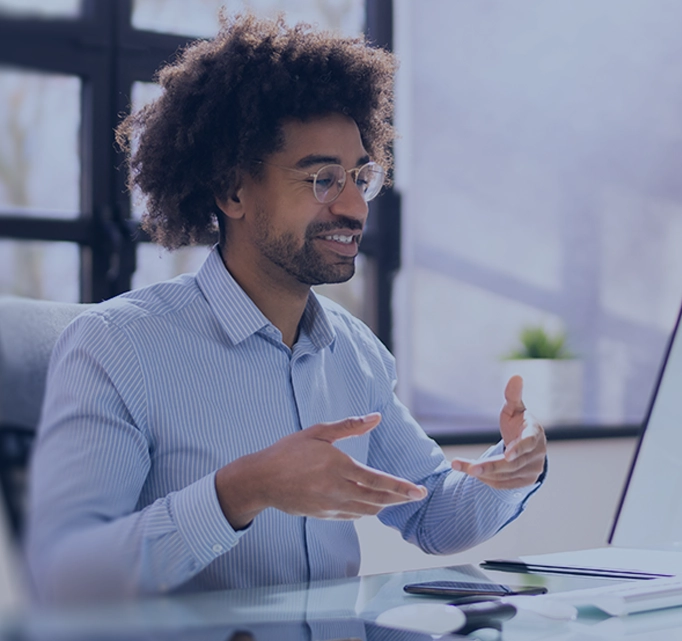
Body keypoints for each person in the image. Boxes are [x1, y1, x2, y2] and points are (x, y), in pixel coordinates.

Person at [25, 14, 547, 603]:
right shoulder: (117, 347)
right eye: (322, 179)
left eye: (359, 176)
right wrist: (240, 491)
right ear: (234, 192)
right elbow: (67, 577)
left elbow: (430, 514)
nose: (354, 206)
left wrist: (509, 470)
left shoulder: (354, 353)